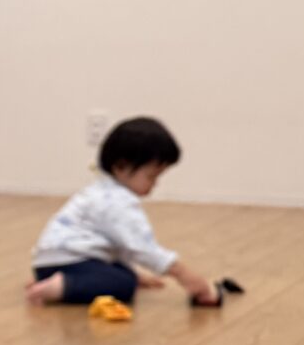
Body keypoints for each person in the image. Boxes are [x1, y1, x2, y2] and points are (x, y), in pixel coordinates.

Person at [27, 116, 217, 306]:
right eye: (151, 176)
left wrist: (134, 274)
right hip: (69, 261)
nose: (155, 184)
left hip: (52, 262)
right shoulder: (118, 203)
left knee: (126, 276)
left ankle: (56, 280)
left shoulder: (102, 190)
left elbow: (119, 246)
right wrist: (185, 276)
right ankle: (60, 287)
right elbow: (142, 248)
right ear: (121, 166)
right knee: (124, 286)